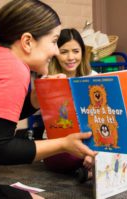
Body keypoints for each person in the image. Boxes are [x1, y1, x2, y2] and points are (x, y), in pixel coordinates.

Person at [0, 1, 96, 198]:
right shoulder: (12, 68)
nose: (57, 51)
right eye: (54, 41)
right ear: (28, 41)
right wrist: (63, 144)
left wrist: (35, 99)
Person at [42, 28, 97, 182]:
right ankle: (94, 164)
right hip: (60, 146)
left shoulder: (93, 77)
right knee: (66, 158)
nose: (71, 57)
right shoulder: (48, 79)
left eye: (75, 51)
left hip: (92, 141)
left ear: (82, 52)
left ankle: (90, 167)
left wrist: (93, 150)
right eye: (64, 51)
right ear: (55, 53)